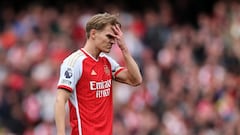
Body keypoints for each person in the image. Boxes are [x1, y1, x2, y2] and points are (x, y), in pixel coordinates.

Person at [54, 12, 142, 135]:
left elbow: (136, 80)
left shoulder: (107, 61)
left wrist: (124, 50)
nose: (113, 41)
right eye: (109, 36)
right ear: (93, 33)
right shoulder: (74, 62)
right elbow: (60, 100)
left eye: (114, 38)